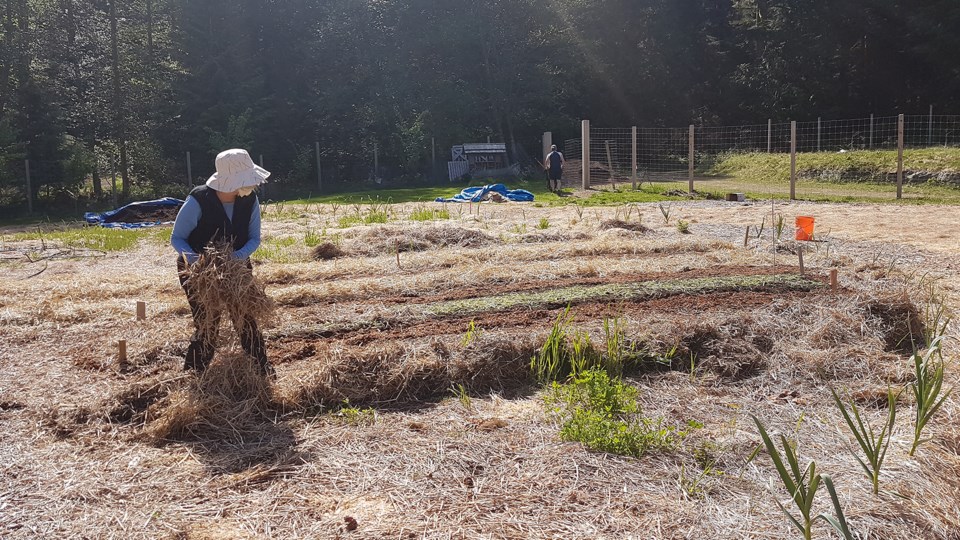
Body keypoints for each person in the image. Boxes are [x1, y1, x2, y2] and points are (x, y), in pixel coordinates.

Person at [170, 148, 273, 375]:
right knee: (207, 323)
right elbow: (177, 238)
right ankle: (196, 375)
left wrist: (236, 258)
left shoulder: (249, 200)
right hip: (198, 271)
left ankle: (262, 369)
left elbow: (255, 238)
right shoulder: (199, 200)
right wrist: (199, 261)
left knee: (245, 318)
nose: (252, 186)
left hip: (237, 267)